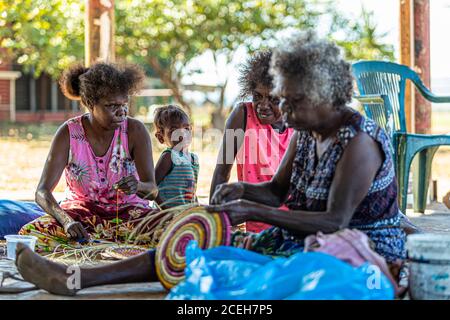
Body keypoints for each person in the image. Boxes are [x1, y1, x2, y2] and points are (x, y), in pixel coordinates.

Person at [14, 32, 406, 296]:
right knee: (190, 249)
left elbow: (334, 222)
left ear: (321, 95)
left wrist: (250, 209)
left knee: (240, 275)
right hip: (308, 240)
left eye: (288, 101)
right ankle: (74, 276)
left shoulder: (359, 142)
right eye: (273, 99)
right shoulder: (306, 132)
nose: (278, 110)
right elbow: (275, 191)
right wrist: (240, 190)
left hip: (357, 252)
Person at [19, 62, 159, 252]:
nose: (122, 112)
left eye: (124, 105)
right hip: (81, 215)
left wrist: (139, 186)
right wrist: (67, 222)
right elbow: (42, 192)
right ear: (90, 104)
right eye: (111, 106)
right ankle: (115, 248)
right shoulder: (69, 133)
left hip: (130, 215)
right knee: (32, 234)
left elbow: (152, 190)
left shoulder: (135, 131)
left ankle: (95, 248)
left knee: (170, 230)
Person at [210, 50, 294, 233]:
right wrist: (213, 223)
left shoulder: (298, 123)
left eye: (273, 99)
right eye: (257, 97)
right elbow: (222, 171)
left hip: (294, 222)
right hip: (257, 224)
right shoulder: (242, 115)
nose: (263, 105)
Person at [153, 105, 199, 208]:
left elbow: (191, 190)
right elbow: (152, 187)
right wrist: (165, 211)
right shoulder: (169, 157)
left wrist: (197, 208)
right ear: (161, 137)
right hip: (166, 217)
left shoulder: (193, 160)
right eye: (174, 130)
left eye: (186, 128)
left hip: (184, 215)